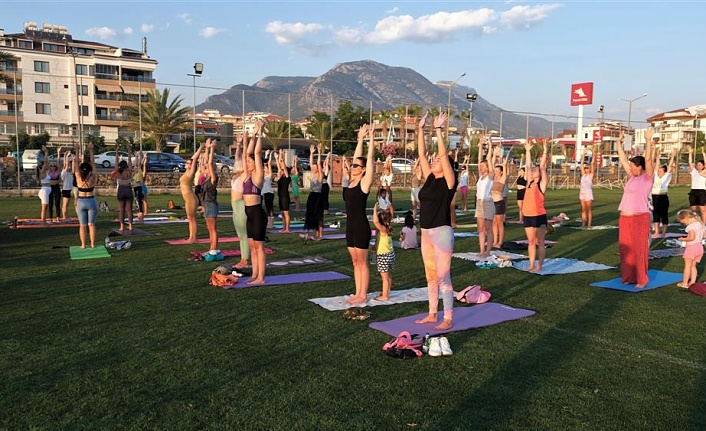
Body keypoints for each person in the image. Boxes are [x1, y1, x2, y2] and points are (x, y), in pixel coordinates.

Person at [414, 112, 456, 331]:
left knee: (443, 277)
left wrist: (439, 130)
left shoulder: (449, 181)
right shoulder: (430, 177)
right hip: (426, 232)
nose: (435, 159)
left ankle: (448, 317)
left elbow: (442, 153)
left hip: (441, 233)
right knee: (430, 276)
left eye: (440, 159)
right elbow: (422, 153)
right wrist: (421, 129)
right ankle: (432, 313)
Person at [616, 127, 655, 288]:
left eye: (633, 166)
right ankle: (628, 277)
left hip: (640, 217)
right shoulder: (632, 176)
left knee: (639, 249)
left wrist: (647, 140)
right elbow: (623, 159)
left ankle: (641, 279)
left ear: (640, 167)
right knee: (626, 249)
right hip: (625, 217)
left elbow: (648, 161)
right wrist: (618, 142)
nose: (630, 168)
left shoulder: (647, 178)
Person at [342, 123, 375, 304]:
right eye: (352, 165)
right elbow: (357, 156)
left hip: (361, 226)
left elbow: (368, 160)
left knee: (362, 262)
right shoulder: (350, 182)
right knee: (355, 262)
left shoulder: (364, 183)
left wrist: (369, 140)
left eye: (356, 165)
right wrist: (360, 138)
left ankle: (363, 294)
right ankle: (357, 292)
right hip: (350, 227)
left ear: (362, 170)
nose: (352, 166)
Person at [243, 121, 268, 284]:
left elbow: (256, 153)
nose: (248, 163)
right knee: (252, 246)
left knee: (259, 247)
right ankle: (254, 273)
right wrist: (252, 136)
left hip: (257, 213)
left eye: (250, 162)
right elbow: (248, 153)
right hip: (248, 213)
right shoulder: (247, 174)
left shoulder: (257, 177)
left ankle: (261, 277)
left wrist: (259, 133)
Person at [521, 139, 549, 272]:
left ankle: (539, 265)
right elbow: (527, 166)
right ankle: (532, 264)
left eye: (535, 170)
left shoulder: (541, 184)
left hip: (539, 216)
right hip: (528, 215)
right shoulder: (529, 183)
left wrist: (545, 150)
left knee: (540, 242)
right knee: (531, 242)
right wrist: (527, 151)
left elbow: (543, 167)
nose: (532, 171)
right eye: (532, 170)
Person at [200, 138, 222, 261]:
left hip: (211, 205)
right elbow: (205, 163)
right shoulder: (206, 179)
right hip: (207, 204)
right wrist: (206, 150)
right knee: (209, 228)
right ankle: (212, 248)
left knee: (213, 228)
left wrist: (211, 149)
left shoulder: (214, 179)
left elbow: (208, 163)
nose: (206, 167)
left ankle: (213, 250)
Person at [230, 134, 250, 268]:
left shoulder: (245, 174)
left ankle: (245, 260)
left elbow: (244, 155)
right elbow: (238, 156)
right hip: (235, 207)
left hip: (241, 206)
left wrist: (246, 142)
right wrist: (238, 144)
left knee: (244, 234)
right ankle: (243, 259)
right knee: (240, 235)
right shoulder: (236, 175)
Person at [73, 143, 98, 248]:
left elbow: (75, 163)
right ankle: (92, 244)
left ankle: (83, 245)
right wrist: (91, 151)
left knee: (82, 225)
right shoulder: (92, 176)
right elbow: (93, 163)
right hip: (91, 200)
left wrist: (77, 150)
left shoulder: (78, 176)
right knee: (91, 224)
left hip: (81, 201)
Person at [475, 136, 495, 257]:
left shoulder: (490, 176)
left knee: (488, 229)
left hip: (488, 202)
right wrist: (481, 145)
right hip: (479, 202)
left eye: (483, 166)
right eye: (481, 166)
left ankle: (488, 251)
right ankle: (482, 251)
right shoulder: (480, 177)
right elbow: (479, 160)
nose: (481, 167)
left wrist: (490, 146)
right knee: (481, 230)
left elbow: (489, 160)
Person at [180, 144, 204, 244]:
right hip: (187, 198)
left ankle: (193, 238)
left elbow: (194, 159)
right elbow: (193, 158)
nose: (186, 163)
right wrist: (200, 148)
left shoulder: (191, 173)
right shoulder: (186, 172)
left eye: (188, 163)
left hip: (190, 197)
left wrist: (201, 149)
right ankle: (191, 237)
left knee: (192, 218)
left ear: (191, 165)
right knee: (190, 218)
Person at [676, 209, 704, 288]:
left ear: (685, 218)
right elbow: (704, 236)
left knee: (687, 266)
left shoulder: (690, 226)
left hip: (692, 247)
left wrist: (682, 239)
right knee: (693, 266)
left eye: (684, 222)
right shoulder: (701, 224)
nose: (685, 224)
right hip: (699, 247)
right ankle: (692, 282)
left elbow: (692, 237)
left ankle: (684, 283)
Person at [372, 201, 395, 301]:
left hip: (383, 256)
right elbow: (391, 214)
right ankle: (387, 291)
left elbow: (375, 222)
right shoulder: (388, 227)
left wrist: (374, 210)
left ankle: (384, 296)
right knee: (388, 275)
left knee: (384, 277)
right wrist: (389, 207)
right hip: (390, 254)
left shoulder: (383, 229)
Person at [651, 148, 675, 238]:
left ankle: (664, 233)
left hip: (663, 197)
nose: (659, 172)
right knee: (656, 215)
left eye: (661, 171)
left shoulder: (666, 177)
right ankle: (657, 232)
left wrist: (672, 156)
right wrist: (658, 156)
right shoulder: (656, 176)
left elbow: (669, 168)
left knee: (664, 215)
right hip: (654, 197)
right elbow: (656, 166)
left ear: (664, 172)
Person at [302, 145, 324, 240]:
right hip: (311, 196)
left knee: (319, 216)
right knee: (312, 215)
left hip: (318, 196)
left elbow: (318, 164)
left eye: (315, 167)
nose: (313, 168)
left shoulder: (320, 175)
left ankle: (321, 235)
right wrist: (311, 153)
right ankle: (316, 233)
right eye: (313, 167)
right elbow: (311, 163)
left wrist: (319, 153)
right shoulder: (312, 174)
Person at [113, 145, 134, 232]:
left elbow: (116, 162)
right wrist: (129, 150)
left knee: (121, 209)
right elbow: (129, 160)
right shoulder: (129, 171)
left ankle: (121, 226)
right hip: (128, 189)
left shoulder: (118, 171)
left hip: (121, 190)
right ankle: (130, 225)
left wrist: (117, 151)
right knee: (129, 209)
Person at [491, 148, 509, 248]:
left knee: (499, 223)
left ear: (501, 172)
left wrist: (504, 164)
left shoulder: (502, 179)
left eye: (498, 170)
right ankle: (495, 241)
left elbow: (505, 172)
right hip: (492, 203)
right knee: (493, 223)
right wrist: (494, 154)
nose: (496, 172)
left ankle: (500, 242)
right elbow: (491, 163)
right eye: (495, 170)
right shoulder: (493, 178)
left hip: (499, 202)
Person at [686, 145, 706, 224]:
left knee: (702, 210)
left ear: (703, 166)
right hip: (693, 191)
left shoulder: (704, 172)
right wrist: (690, 153)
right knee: (694, 209)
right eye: (697, 165)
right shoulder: (694, 172)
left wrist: (703, 154)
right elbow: (690, 163)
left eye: (700, 165)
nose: (698, 166)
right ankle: (699, 220)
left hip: (702, 192)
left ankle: (704, 226)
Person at [579, 146, 597, 229]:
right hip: (582, 192)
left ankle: (589, 224)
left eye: (587, 168)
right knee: (583, 209)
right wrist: (584, 153)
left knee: (588, 209)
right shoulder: (584, 175)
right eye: (585, 168)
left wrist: (593, 152)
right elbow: (581, 164)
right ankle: (583, 223)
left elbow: (593, 163)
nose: (586, 169)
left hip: (588, 193)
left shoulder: (591, 175)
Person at [275, 149, 292, 232]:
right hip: (280, 196)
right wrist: (277, 157)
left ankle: (287, 228)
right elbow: (280, 167)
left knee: (286, 213)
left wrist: (282, 157)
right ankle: (284, 227)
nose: (281, 169)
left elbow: (284, 167)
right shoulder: (281, 177)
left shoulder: (288, 178)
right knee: (282, 213)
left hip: (285, 196)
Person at [36, 146, 52, 224]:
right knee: (44, 207)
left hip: (46, 190)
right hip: (44, 191)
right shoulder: (42, 173)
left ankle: (44, 220)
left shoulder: (46, 172)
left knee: (46, 207)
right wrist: (46, 152)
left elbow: (47, 163)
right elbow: (46, 163)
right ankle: (43, 221)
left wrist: (46, 153)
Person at [60, 148, 75, 220]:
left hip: (68, 190)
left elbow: (69, 165)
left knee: (66, 205)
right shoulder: (65, 172)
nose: (69, 166)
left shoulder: (69, 173)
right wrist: (66, 156)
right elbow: (66, 164)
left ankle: (66, 216)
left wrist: (70, 158)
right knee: (65, 205)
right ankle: (64, 217)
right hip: (66, 190)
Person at [132, 151, 146, 224]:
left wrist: (137, 156)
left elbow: (138, 164)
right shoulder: (134, 175)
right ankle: (140, 219)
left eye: (135, 168)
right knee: (138, 205)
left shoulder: (139, 172)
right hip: (135, 190)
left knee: (140, 205)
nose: (134, 168)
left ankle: (141, 220)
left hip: (138, 190)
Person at [47, 152, 62, 223]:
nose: (53, 167)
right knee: (50, 204)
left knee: (57, 203)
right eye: (51, 166)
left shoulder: (58, 172)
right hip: (50, 189)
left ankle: (58, 218)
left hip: (56, 189)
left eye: (54, 166)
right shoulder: (48, 173)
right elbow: (47, 182)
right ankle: (50, 218)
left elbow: (58, 163)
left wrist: (58, 154)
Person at [262, 150, 275, 228]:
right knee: (267, 209)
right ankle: (268, 223)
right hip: (265, 193)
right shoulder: (263, 175)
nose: (264, 169)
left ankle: (271, 224)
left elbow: (268, 164)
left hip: (269, 193)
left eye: (266, 168)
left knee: (270, 208)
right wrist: (266, 155)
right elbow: (264, 163)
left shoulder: (269, 175)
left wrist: (270, 155)